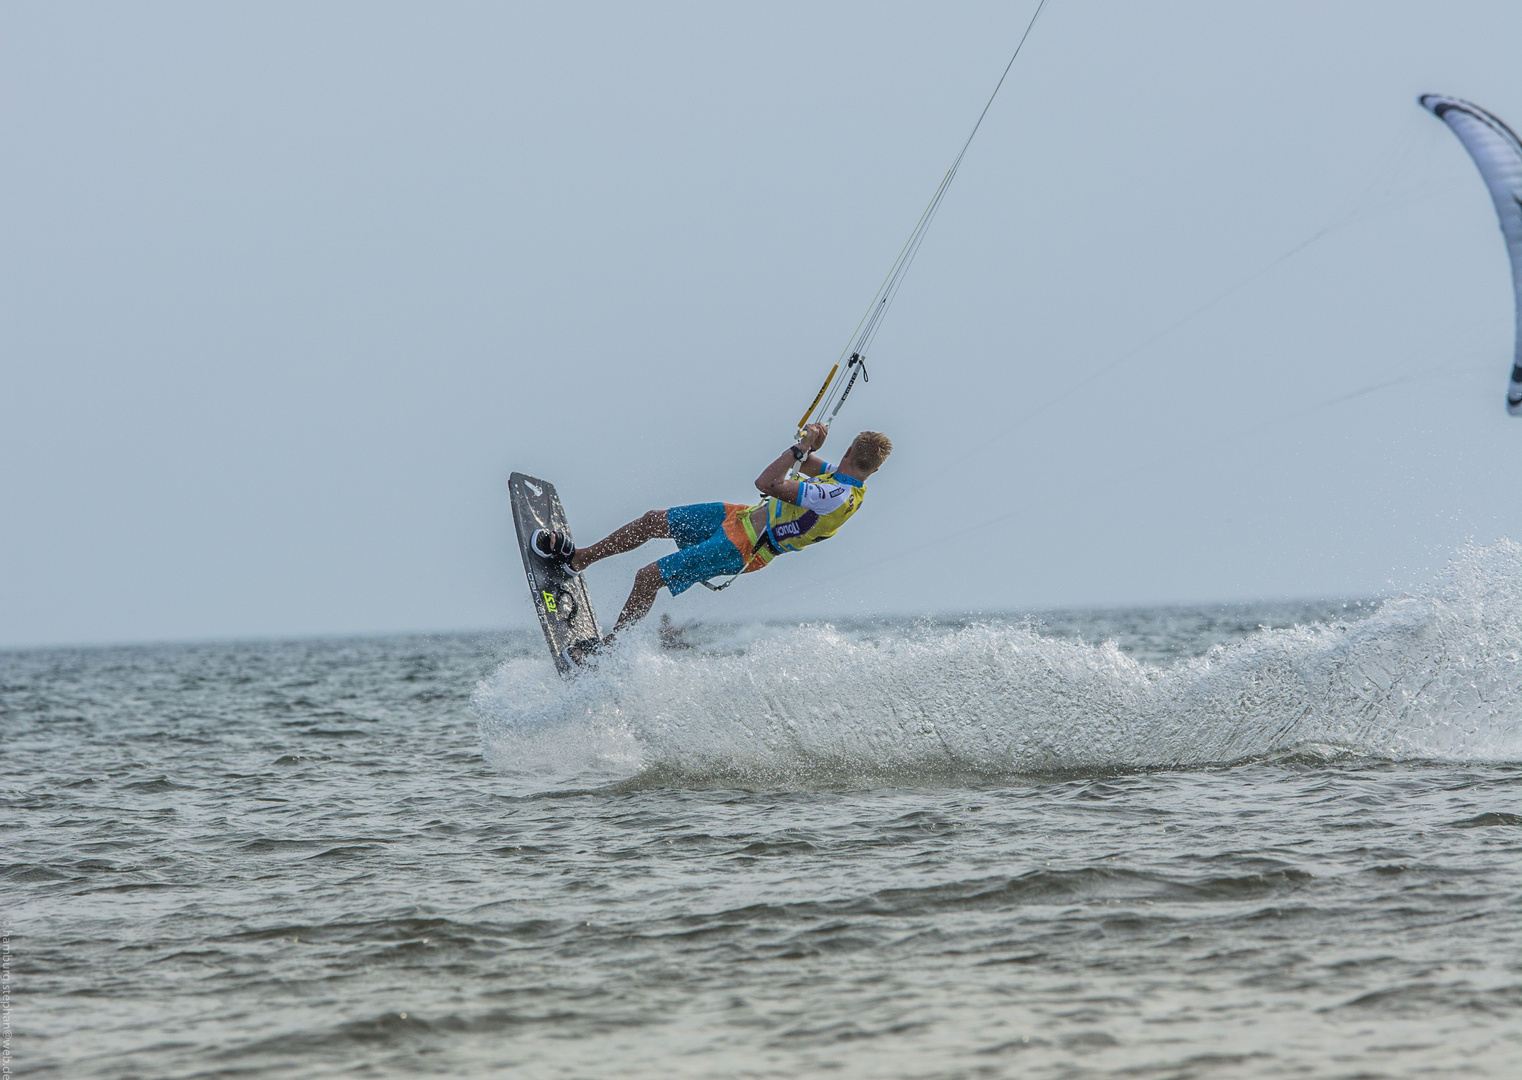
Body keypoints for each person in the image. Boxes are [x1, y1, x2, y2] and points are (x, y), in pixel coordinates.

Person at [530, 423, 892, 665]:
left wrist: (801, 449)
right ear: (873, 470)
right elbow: (804, 460)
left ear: (850, 450)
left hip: (747, 546)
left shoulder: (834, 494)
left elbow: (766, 482)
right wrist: (808, 440)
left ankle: (607, 655)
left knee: (647, 577)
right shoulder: (841, 478)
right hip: (739, 517)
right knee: (653, 520)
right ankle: (579, 559)